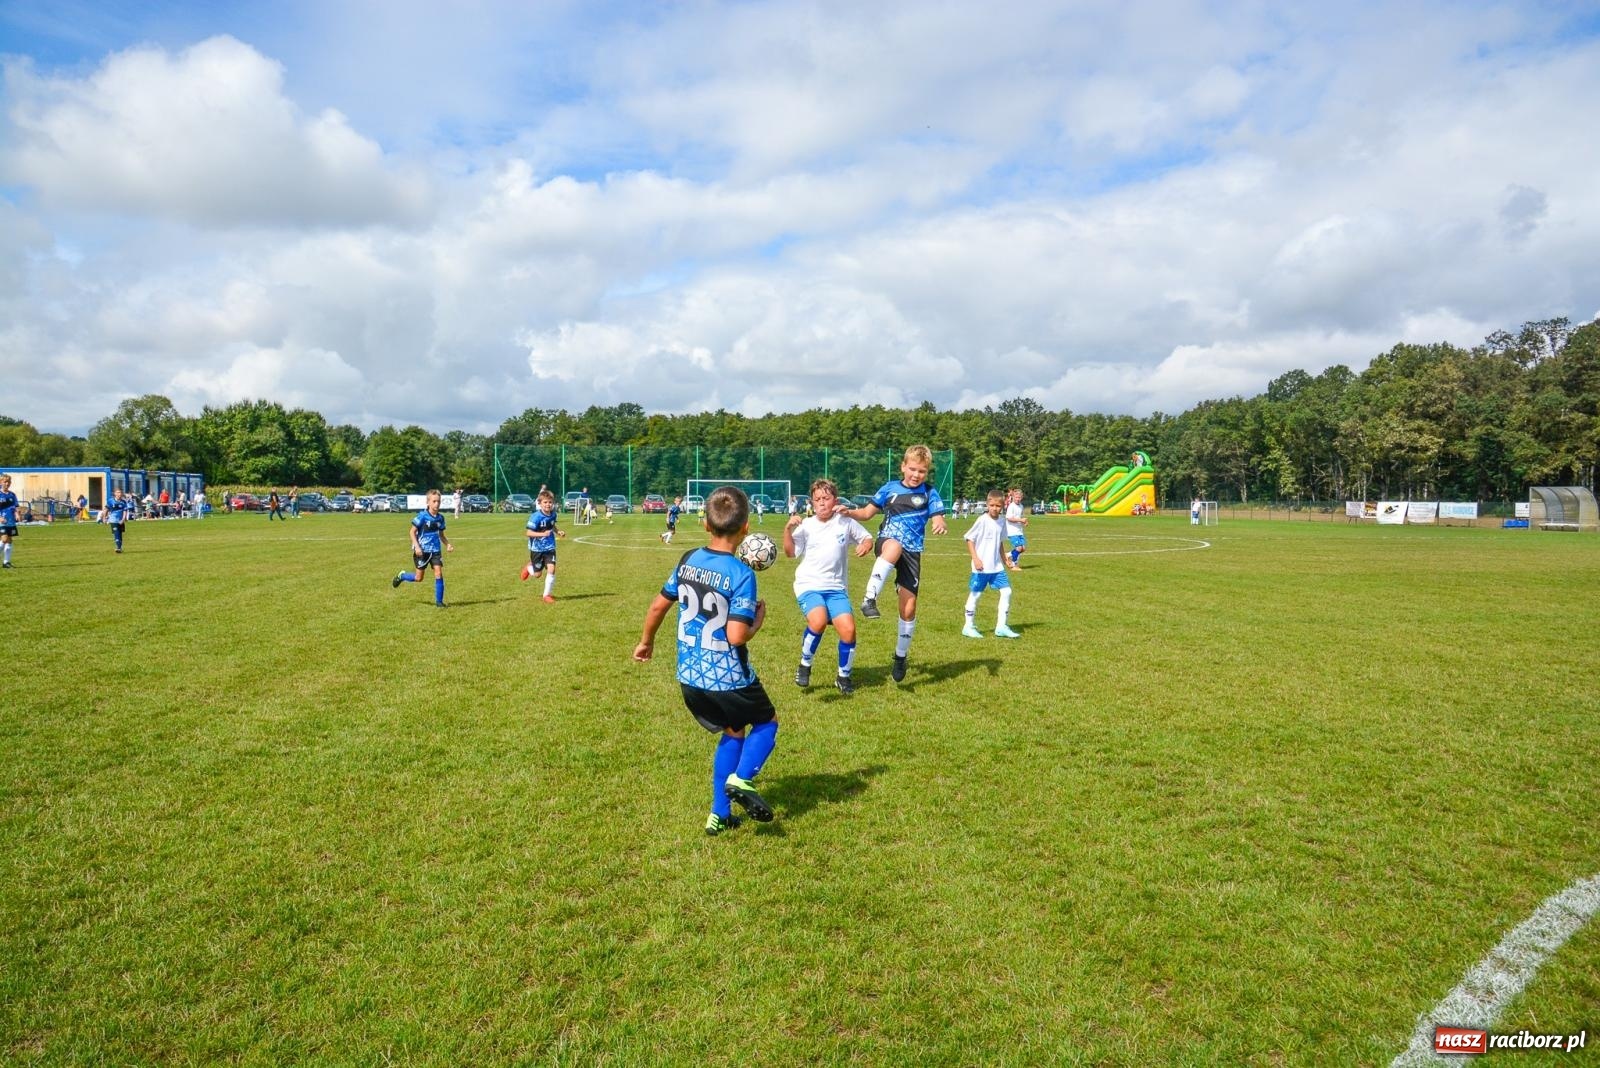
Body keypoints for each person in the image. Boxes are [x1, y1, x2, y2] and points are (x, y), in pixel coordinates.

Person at [634, 486, 777, 836]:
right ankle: (742, 780)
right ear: (745, 529)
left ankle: (719, 814)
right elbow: (736, 637)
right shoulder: (742, 574)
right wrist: (756, 623)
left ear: (706, 525)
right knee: (767, 723)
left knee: (733, 730)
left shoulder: (687, 560)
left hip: (689, 676)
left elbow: (657, 606)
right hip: (727, 676)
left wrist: (645, 642)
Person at [842, 444, 948, 683]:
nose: (916, 475)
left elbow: (938, 514)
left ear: (927, 472)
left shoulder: (930, 492)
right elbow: (867, 513)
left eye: (921, 471)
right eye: (912, 469)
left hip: (913, 553)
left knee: (908, 609)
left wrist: (938, 522)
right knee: (894, 545)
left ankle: (900, 657)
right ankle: (869, 598)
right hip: (887, 542)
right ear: (903, 466)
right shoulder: (889, 488)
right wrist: (849, 512)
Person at [783, 478, 874, 695]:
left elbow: (867, 537)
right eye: (817, 500)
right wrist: (787, 529)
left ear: (835, 499)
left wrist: (865, 546)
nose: (822, 503)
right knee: (819, 620)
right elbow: (790, 552)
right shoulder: (806, 526)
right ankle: (805, 665)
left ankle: (843, 676)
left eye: (826, 498)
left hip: (836, 588)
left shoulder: (845, 521)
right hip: (809, 584)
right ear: (812, 503)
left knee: (849, 630)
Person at [963, 490, 1020, 639]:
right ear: (987, 504)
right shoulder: (982, 520)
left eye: (998, 506)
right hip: (981, 567)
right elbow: (970, 539)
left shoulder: (1002, 521)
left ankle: (1001, 626)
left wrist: (1005, 559)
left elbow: (999, 542)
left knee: (1007, 591)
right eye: (992, 505)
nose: (995, 508)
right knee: (975, 595)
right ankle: (968, 626)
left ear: (1003, 506)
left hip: (996, 567)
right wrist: (975, 559)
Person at [392, 489, 453, 607]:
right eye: (434, 501)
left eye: (438, 501)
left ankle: (439, 602)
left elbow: (441, 535)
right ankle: (402, 576)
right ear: (428, 502)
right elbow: (411, 532)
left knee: (439, 573)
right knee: (418, 578)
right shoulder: (422, 516)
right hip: (422, 551)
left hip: (435, 551)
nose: (437, 504)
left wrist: (448, 544)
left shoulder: (441, 518)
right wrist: (417, 547)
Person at [521, 489, 564, 603]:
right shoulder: (535, 517)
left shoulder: (553, 514)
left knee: (552, 569)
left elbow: (552, 525)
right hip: (537, 549)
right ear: (539, 503)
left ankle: (546, 595)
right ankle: (529, 568)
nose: (548, 504)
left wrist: (558, 531)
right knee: (537, 574)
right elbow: (528, 533)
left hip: (550, 547)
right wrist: (542, 534)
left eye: (550, 502)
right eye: (545, 502)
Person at [1003, 487, 1028, 570]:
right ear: (1013, 497)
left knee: (1023, 548)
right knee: (1019, 548)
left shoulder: (1021, 506)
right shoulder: (1011, 506)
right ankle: (1014, 565)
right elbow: (1009, 518)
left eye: (1019, 497)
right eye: (1016, 497)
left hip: (1019, 530)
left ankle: (1007, 555)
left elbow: (1019, 517)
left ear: (1022, 497)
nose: (1018, 499)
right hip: (1012, 531)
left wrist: (1024, 522)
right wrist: (1020, 520)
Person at [102, 488, 131, 553]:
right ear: (115, 493)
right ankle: (118, 547)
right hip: (113, 520)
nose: (119, 494)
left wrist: (123, 519)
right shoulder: (110, 501)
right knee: (116, 532)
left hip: (120, 520)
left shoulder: (123, 502)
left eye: (120, 492)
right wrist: (104, 518)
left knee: (120, 533)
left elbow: (125, 511)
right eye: (118, 492)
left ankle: (119, 548)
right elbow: (106, 509)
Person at [0, 475, 17, 568]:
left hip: (11, 521)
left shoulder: (12, 495)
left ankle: (6, 562)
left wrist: (17, 514)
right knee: (4, 539)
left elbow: (15, 507)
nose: (7, 484)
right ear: (1, 482)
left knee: (9, 541)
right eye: (5, 482)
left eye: (8, 482)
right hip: (1, 521)